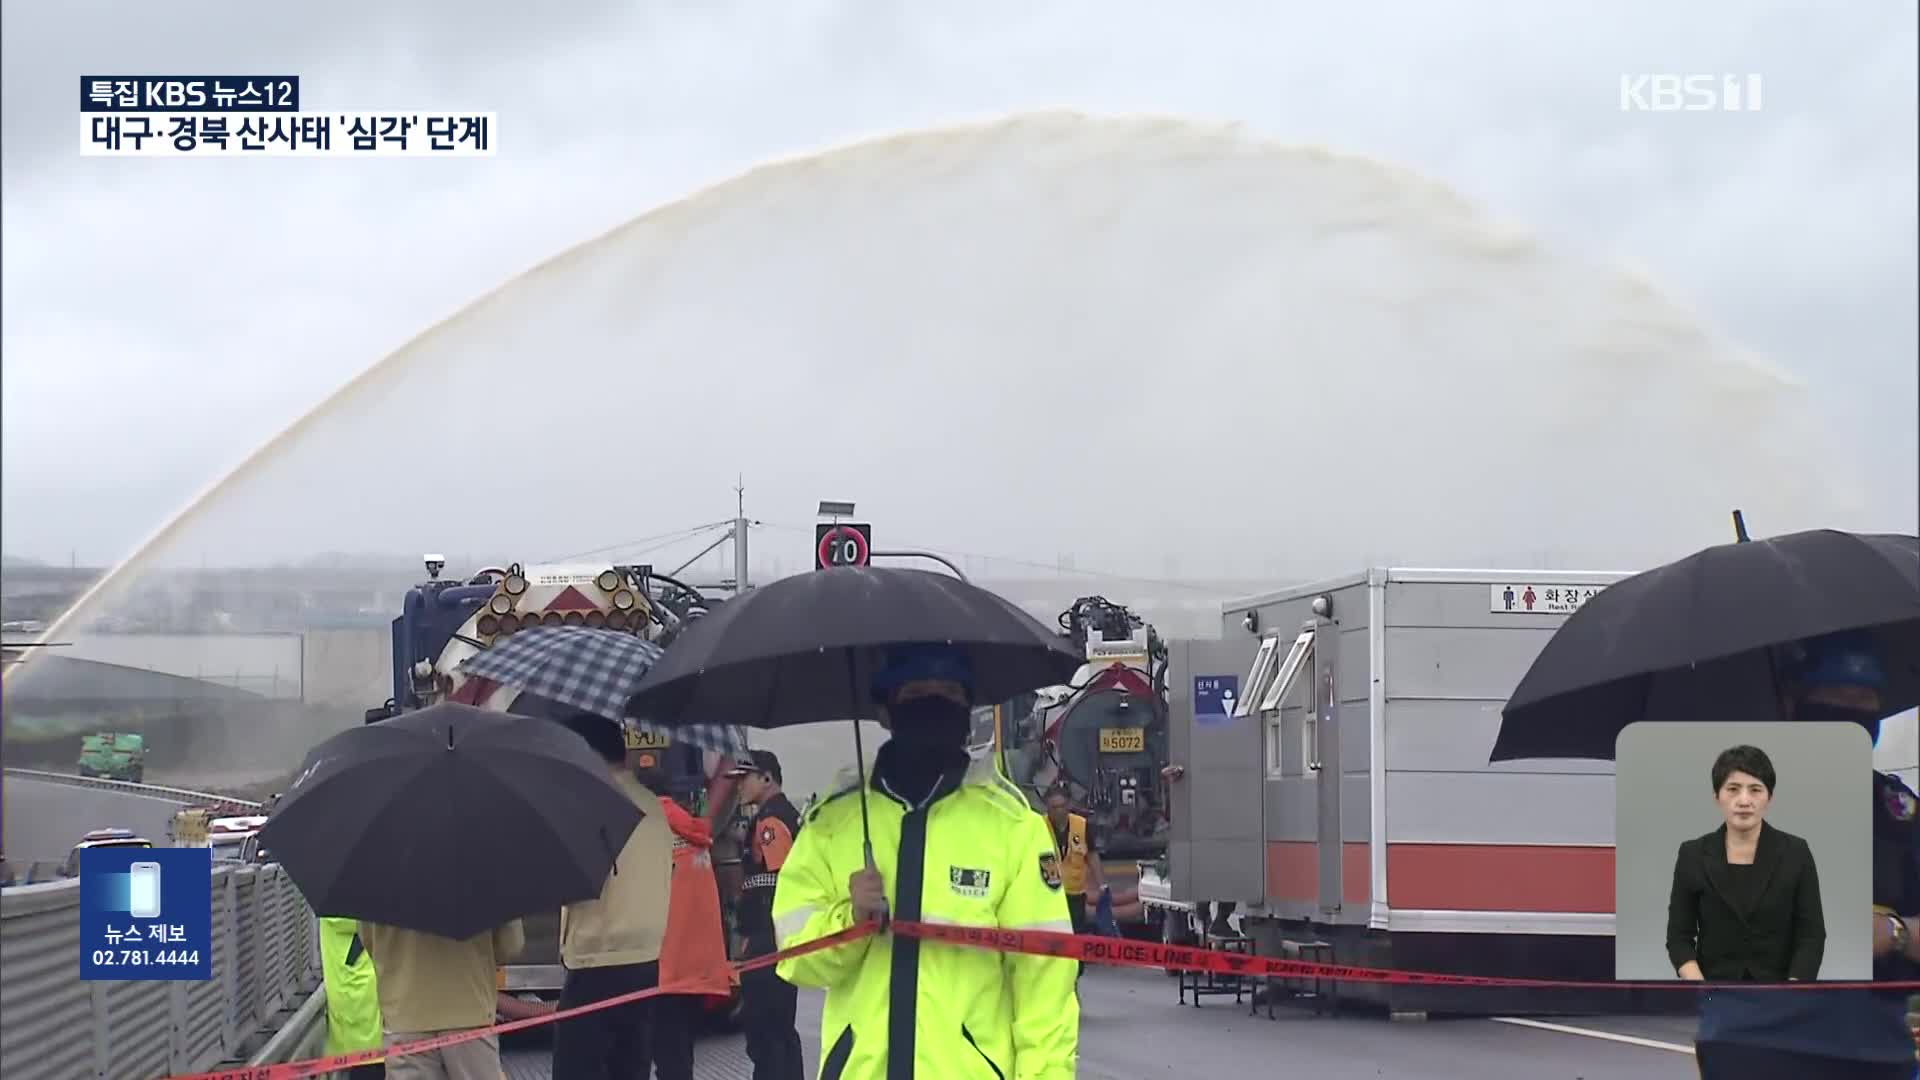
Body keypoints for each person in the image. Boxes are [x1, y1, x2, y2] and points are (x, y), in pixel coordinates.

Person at [772, 644, 1079, 1080]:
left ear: (967, 707)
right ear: (885, 710)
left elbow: (1045, 983)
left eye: (950, 693)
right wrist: (851, 920)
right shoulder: (832, 823)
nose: (934, 706)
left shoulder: (1012, 827)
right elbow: (796, 959)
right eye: (917, 691)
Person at [1692, 631, 1919, 1079]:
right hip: (1755, 1044)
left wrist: (1892, 934)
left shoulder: (1898, 812)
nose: (1853, 713)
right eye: (1836, 697)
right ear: (1794, 701)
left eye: (1865, 698)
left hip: (1877, 1050)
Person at [550, 713, 673, 1080]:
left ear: (587, 751)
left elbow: (568, 881)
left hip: (595, 959)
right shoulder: (654, 806)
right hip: (646, 961)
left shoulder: (592, 804)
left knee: (577, 1070)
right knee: (630, 1067)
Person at [1666, 744, 1826, 983]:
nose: (1744, 800)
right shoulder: (1693, 854)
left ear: (1769, 797)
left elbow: (1811, 935)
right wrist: (1701, 990)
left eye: (1755, 790)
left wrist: (1793, 992)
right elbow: (1679, 937)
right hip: (1713, 994)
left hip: (1780, 994)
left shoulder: (1796, 852)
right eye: (1733, 789)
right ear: (1716, 796)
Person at [645, 750, 738, 1080]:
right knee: (679, 1057)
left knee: (647, 1053)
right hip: (697, 971)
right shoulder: (697, 835)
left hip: (659, 970)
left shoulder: (644, 834)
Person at [357, 917, 523, 1080]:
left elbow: (369, 939)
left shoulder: (374, 890)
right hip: (470, 1009)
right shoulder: (487, 888)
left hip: (404, 1013)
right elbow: (510, 945)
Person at [730, 749, 805, 1080]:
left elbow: (777, 885)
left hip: (768, 942)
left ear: (766, 778)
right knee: (781, 1032)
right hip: (779, 940)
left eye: (743, 779)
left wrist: (755, 937)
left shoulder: (771, 822)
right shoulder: (781, 814)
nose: (738, 787)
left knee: (766, 1031)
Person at [318, 917, 385, 1078]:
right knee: (366, 1067)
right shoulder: (344, 913)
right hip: (358, 1004)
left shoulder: (342, 906)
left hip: (360, 1002)